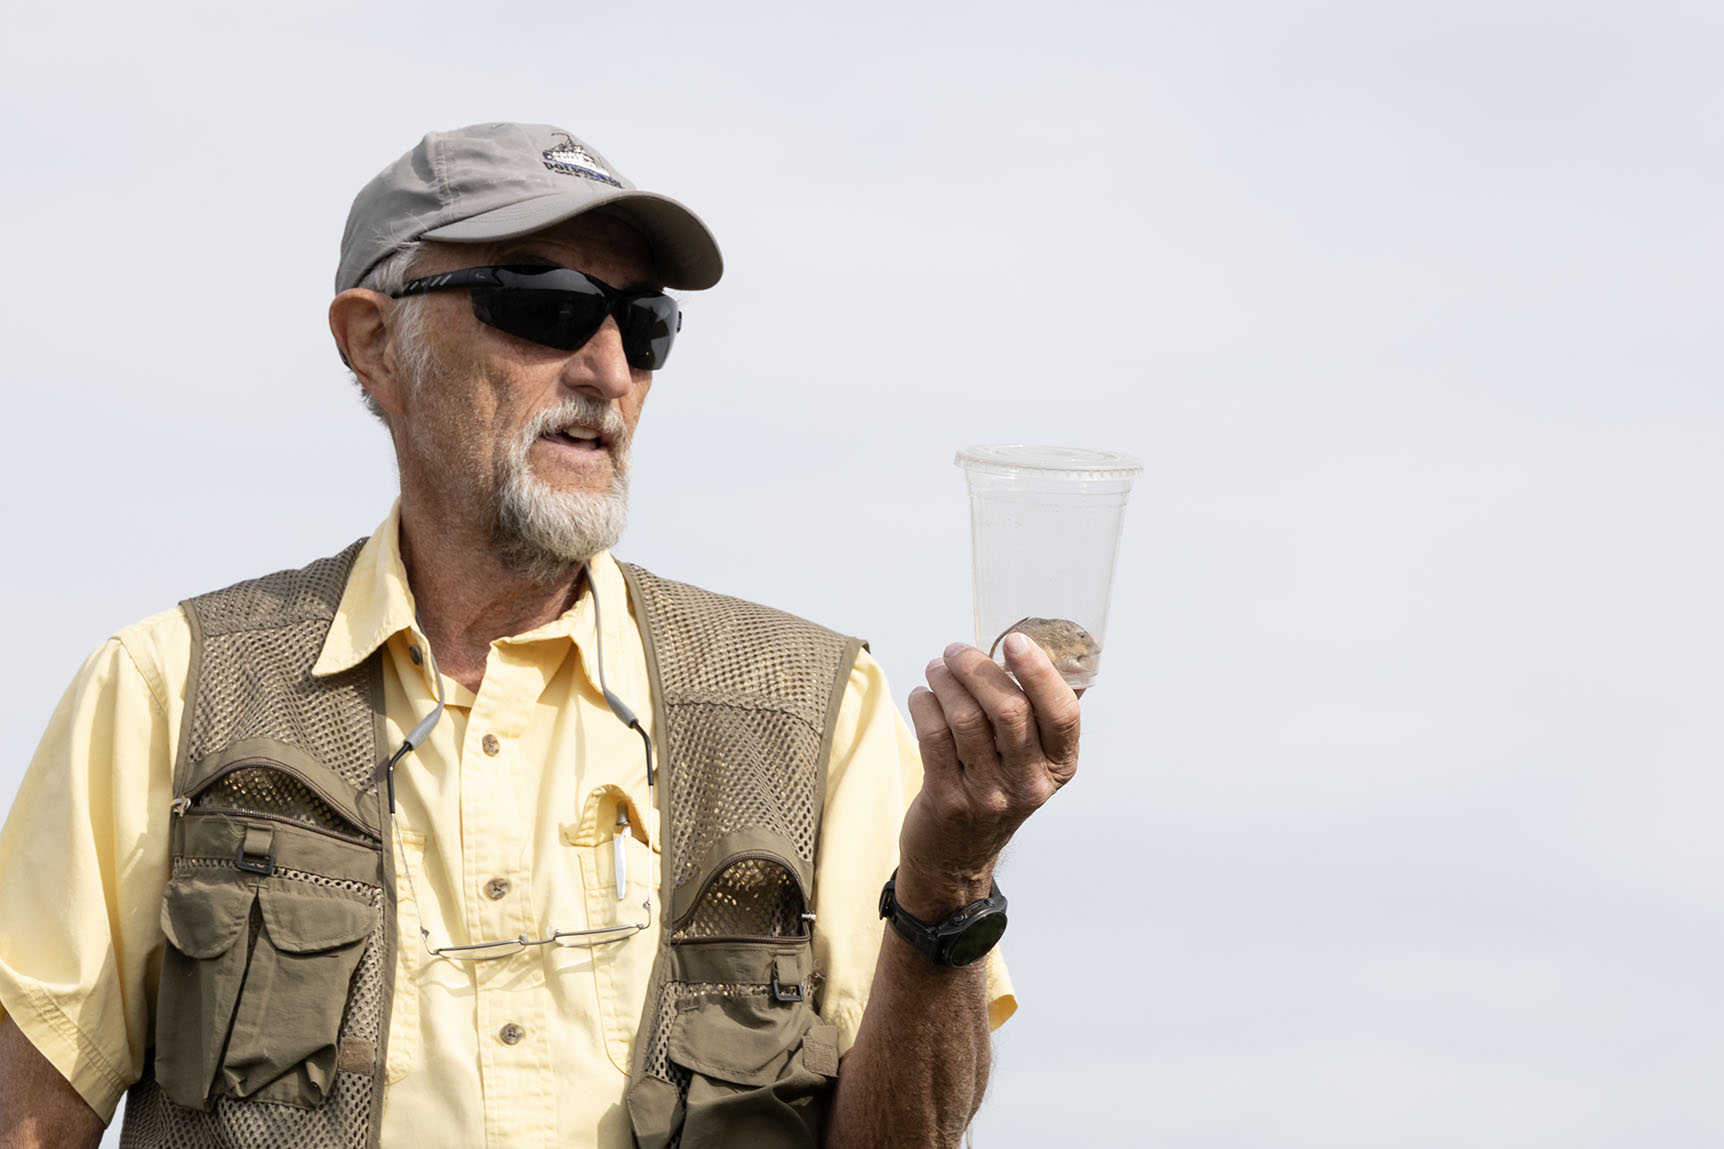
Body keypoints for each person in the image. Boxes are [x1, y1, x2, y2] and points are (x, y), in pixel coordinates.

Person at [0, 122, 1081, 1149]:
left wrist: (949, 887)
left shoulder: (815, 709)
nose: (608, 369)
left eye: (642, 324)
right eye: (545, 305)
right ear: (373, 344)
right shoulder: (168, 689)